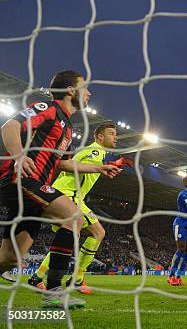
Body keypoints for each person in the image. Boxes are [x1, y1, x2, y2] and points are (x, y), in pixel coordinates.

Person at [0, 70, 121, 309]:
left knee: (9, 259)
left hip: (33, 191)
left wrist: (100, 168)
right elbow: (10, 125)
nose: (89, 93)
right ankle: (54, 291)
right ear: (70, 90)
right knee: (74, 216)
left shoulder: (66, 126)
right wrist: (19, 155)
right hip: (22, 179)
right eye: (84, 87)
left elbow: (64, 163)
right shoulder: (48, 107)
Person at [28, 122, 132, 294]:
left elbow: (89, 165)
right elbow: (88, 165)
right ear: (100, 136)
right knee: (97, 233)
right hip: (70, 195)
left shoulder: (94, 153)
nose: (116, 137)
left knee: (68, 237)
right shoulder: (95, 151)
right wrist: (105, 167)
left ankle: (38, 277)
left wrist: (113, 163)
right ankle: (75, 279)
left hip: (70, 194)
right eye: (111, 133)